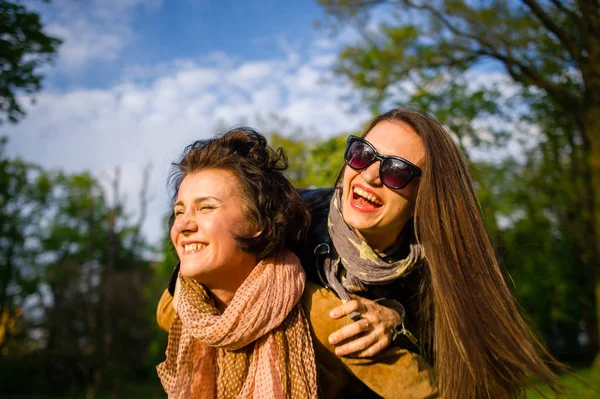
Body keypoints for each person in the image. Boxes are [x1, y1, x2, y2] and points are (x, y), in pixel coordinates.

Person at [158, 108, 562, 398]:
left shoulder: (442, 273)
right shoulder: (293, 218)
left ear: (427, 196)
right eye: (363, 154)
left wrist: (396, 316)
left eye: (397, 170)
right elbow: (212, 256)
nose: (369, 175)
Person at [156, 128, 318, 398]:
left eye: (206, 207)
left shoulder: (323, 317)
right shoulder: (174, 313)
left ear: (258, 224)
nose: (182, 225)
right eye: (179, 211)